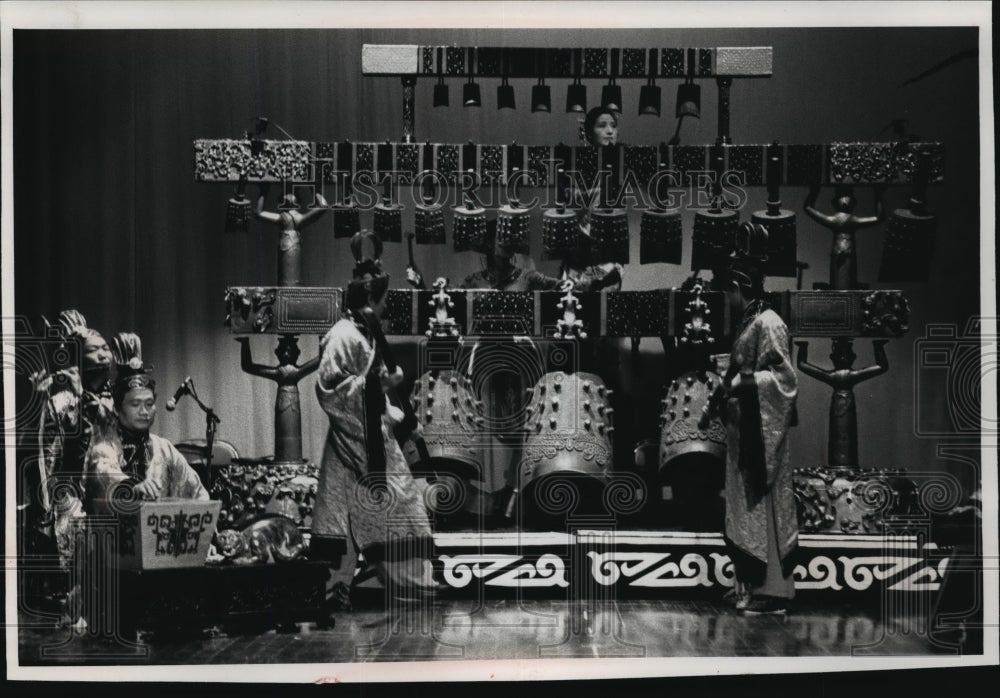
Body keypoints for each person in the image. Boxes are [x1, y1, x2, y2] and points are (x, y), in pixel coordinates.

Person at [311, 236, 439, 614]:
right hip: (357, 445)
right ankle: (397, 590)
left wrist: (401, 420)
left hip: (369, 440)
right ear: (372, 300)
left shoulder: (362, 334)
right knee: (397, 511)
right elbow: (329, 389)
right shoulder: (343, 336)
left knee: (352, 522)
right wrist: (377, 386)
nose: (385, 309)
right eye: (384, 301)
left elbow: (377, 399)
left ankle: (398, 590)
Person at [716, 236, 798, 615]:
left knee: (762, 507)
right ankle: (748, 584)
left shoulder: (770, 321)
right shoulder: (751, 320)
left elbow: (784, 380)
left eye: (727, 291)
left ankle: (774, 591)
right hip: (745, 429)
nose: (726, 299)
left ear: (737, 287)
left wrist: (740, 384)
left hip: (762, 432)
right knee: (742, 509)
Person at [254, 183, 329, 286]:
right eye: (286, 193)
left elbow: (323, 206)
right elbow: (258, 213)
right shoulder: (284, 218)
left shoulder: (297, 219)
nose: (288, 196)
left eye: (292, 193)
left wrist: (314, 186)